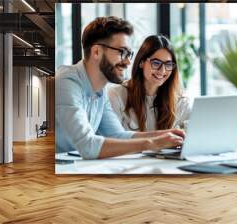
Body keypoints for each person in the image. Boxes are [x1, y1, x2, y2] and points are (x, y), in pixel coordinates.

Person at [55, 16, 184, 159]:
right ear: (96, 52)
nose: (128, 61)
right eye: (122, 52)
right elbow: (87, 145)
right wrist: (151, 143)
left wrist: (165, 135)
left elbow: (117, 135)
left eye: (129, 54)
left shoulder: (100, 91)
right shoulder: (66, 81)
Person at [108, 35, 191, 132]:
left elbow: (196, 132)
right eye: (156, 63)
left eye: (168, 64)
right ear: (141, 62)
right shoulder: (117, 95)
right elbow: (112, 139)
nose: (162, 70)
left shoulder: (180, 100)